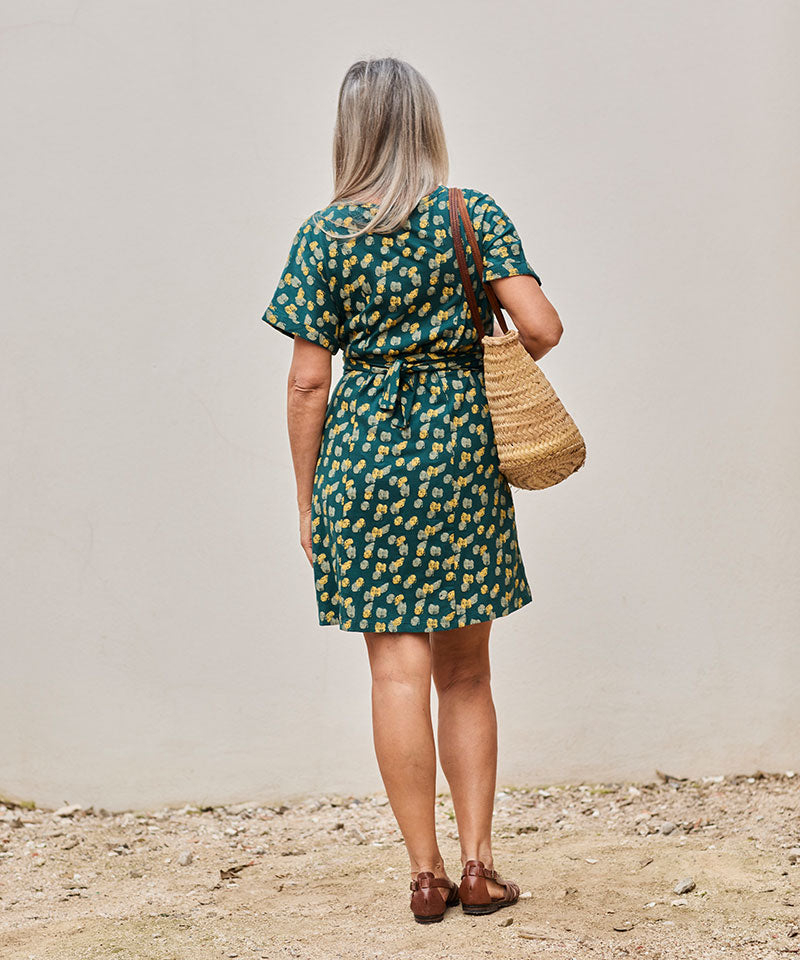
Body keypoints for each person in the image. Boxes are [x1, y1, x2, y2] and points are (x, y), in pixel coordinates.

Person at [260, 56, 562, 923]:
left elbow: (306, 385)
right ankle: (478, 867)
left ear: (349, 132)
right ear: (426, 124)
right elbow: (541, 325)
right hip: (459, 455)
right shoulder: (473, 216)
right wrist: (472, 350)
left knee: (396, 671)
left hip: (359, 461)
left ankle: (425, 877)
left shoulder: (322, 235)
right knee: (465, 673)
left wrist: (309, 497)